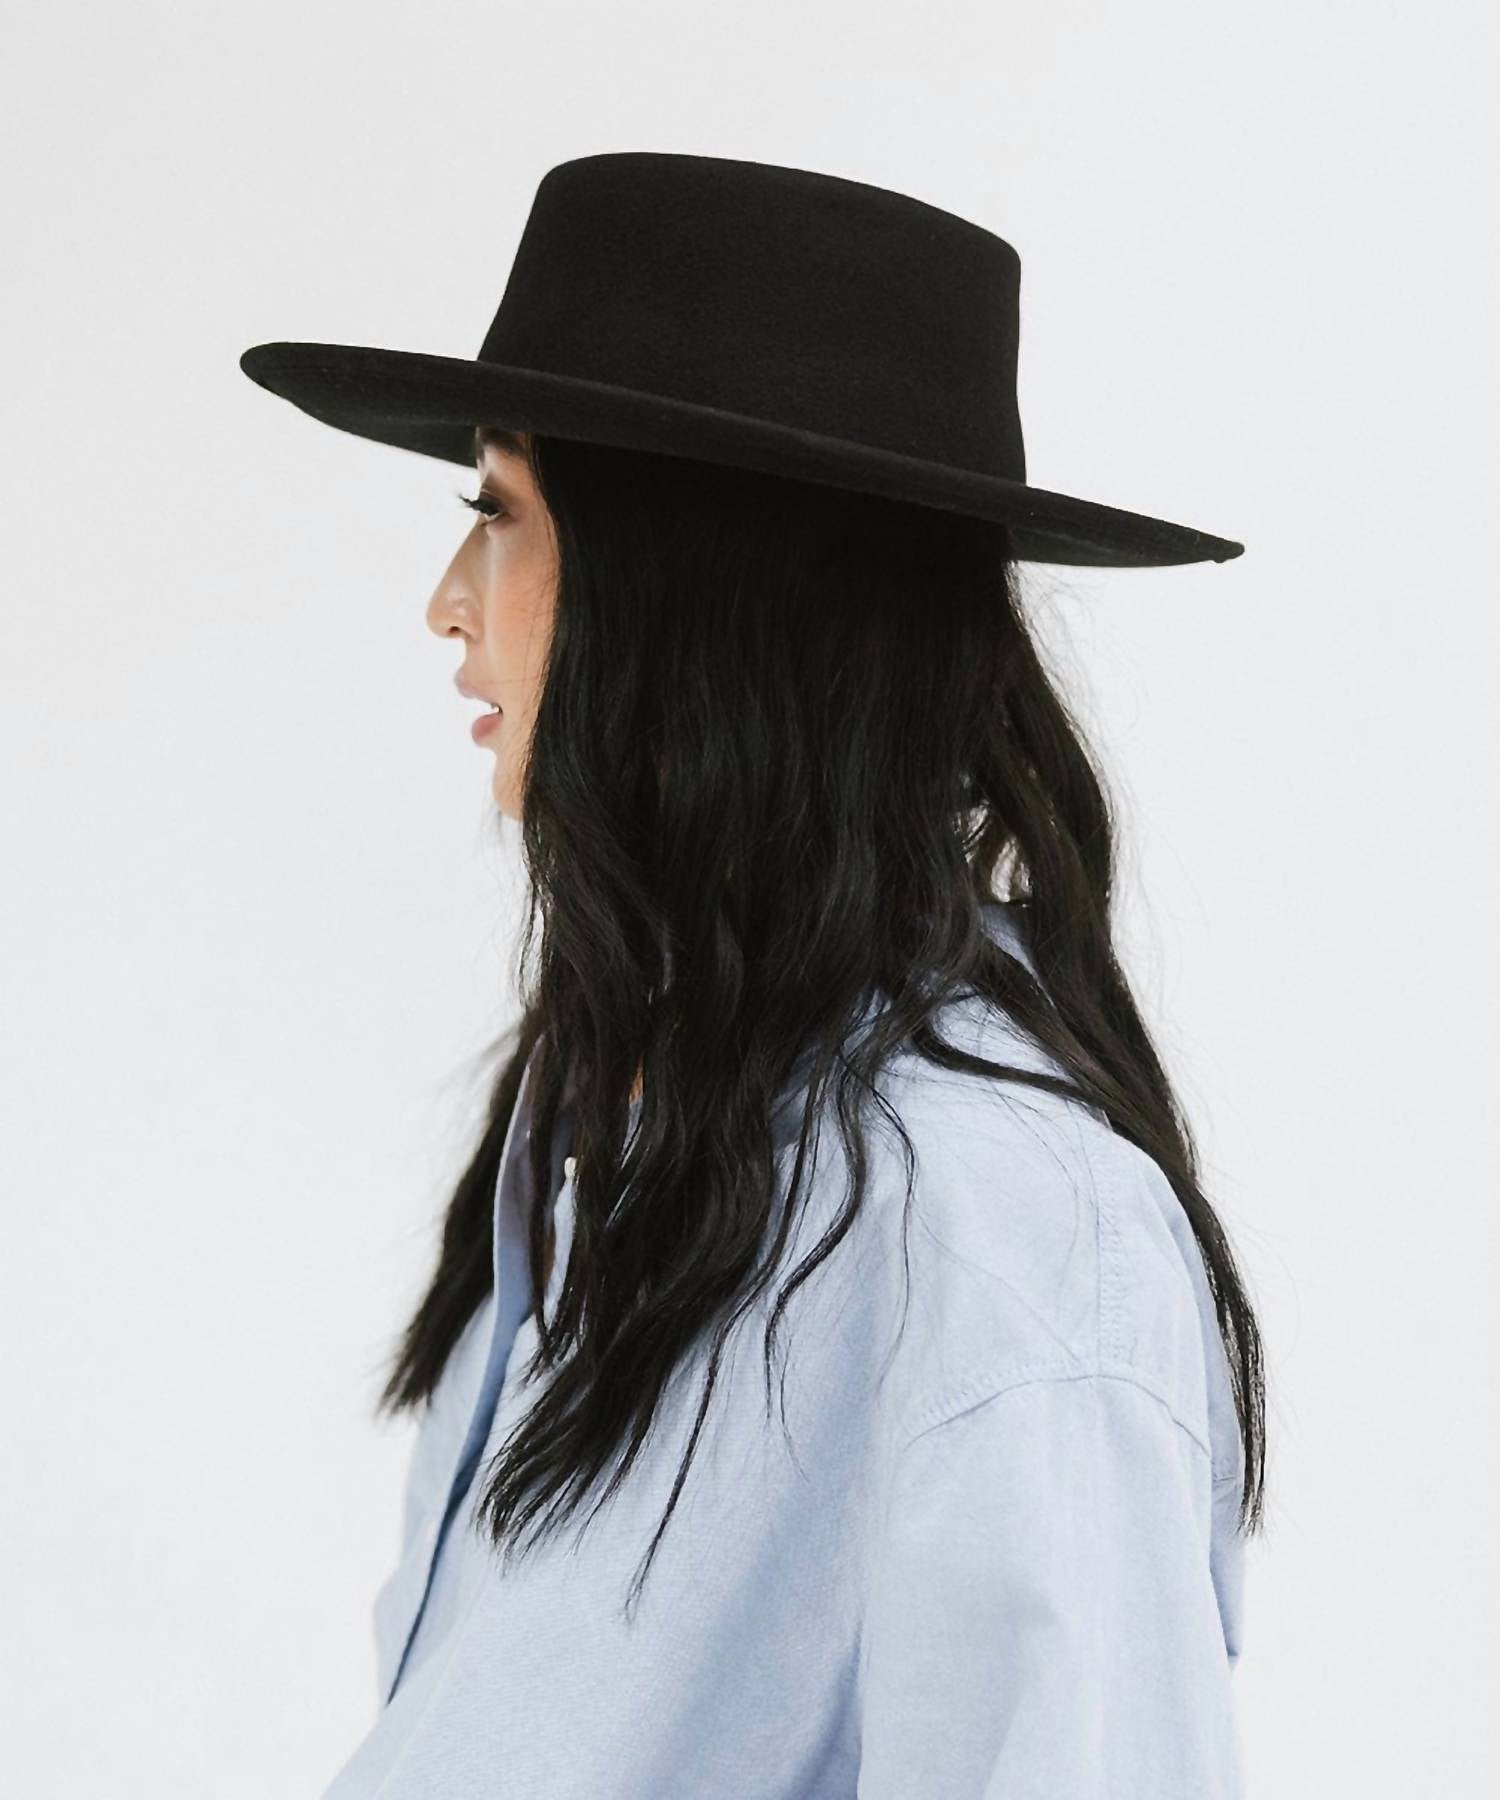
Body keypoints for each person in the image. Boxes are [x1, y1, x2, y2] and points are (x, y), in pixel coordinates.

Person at [241, 150, 1262, 1799]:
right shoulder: (618, 1107)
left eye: (498, 512)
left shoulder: (999, 1231)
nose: (447, 605)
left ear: (707, 583)